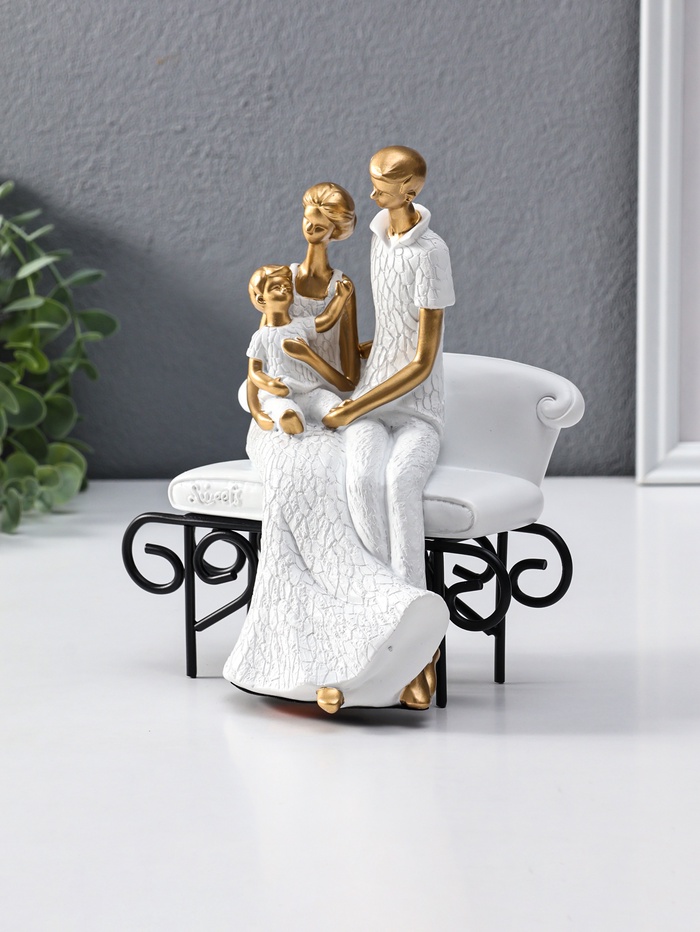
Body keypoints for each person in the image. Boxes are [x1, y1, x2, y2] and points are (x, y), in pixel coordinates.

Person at [245, 264, 352, 434]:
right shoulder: (262, 336)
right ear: (261, 299)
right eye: (276, 287)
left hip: (310, 390)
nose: (284, 290)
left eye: (287, 288)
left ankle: (333, 418)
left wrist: (340, 297)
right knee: (285, 411)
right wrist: (270, 384)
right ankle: (291, 422)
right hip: (283, 393)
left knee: (332, 405)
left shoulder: (300, 325)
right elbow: (254, 371)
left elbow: (325, 321)